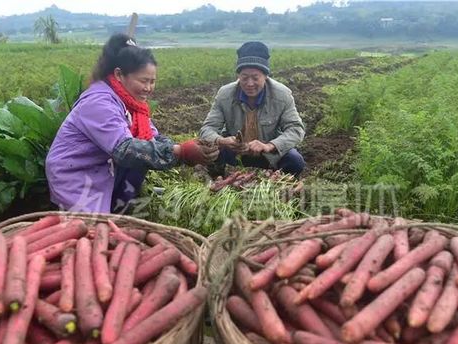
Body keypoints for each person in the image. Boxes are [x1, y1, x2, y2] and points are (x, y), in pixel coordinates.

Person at [46, 34, 218, 213]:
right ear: (119, 74)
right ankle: (105, 216)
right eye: (144, 81)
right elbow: (125, 149)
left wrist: (181, 149)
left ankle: (118, 211)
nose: (149, 88)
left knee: (140, 159)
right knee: (92, 231)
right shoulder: (98, 102)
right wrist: (180, 152)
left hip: (103, 170)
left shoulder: (132, 103)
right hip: (78, 176)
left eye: (152, 82)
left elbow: (153, 138)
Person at [199, 41, 306, 177]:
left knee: (295, 161)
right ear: (238, 76)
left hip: (268, 154)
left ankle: (277, 179)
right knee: (208, 149)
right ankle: (219, 177)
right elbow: (207, 129)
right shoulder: (225, 94)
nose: (250, 83)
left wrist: (269, 146)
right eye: (244, 77)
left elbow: (296, 129)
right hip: (235, 153)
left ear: (266, 76)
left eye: (255, 78)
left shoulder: (282, 95)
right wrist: (222, 141)